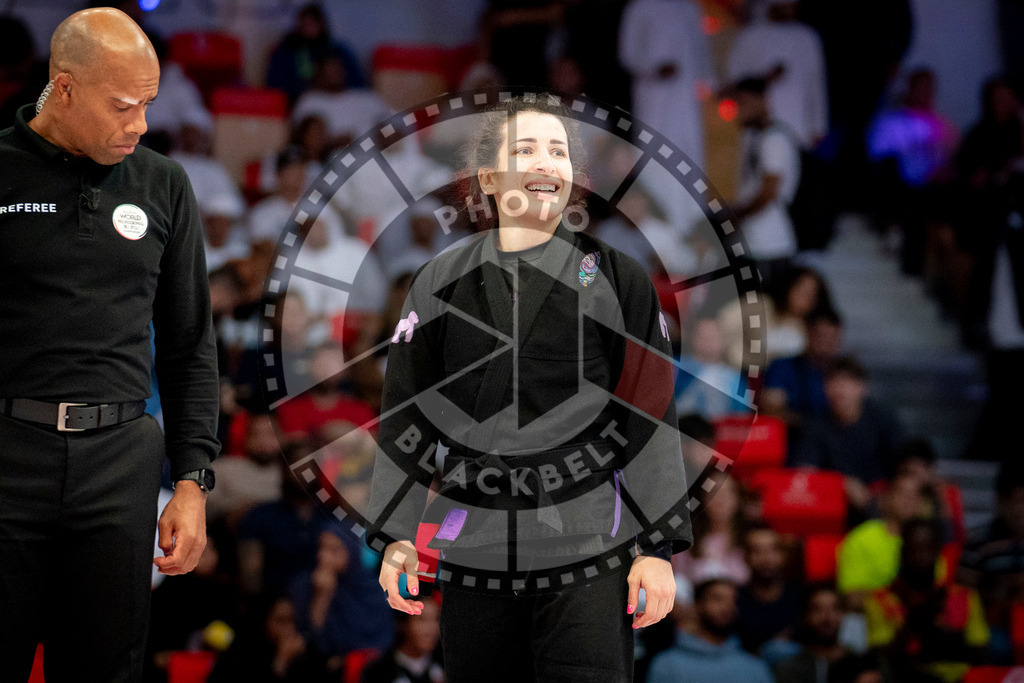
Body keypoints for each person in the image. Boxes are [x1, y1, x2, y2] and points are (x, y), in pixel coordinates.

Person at [366, 95, 691, 681]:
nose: (546, 162)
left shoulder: (617, 278)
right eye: (526, 149)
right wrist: (397, 535)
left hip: (589, 538)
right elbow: (405, 416)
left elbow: (651, 415)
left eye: (559, 151)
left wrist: (657, 548)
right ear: (488, 176)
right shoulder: (441, 280)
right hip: (475, 541)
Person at [0, 8, 219, 682]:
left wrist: (191, 482)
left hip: (121, 466)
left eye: (148, 105)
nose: (141, 125)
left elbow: (190, 344)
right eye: (123, 106)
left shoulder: (164, 184)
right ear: (63, 89)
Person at [864, 518, 989, 683]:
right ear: (902, 552)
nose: (920, 555)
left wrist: (944, 640)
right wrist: (914, 623)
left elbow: (980, 650)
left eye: (927, 548)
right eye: (913, 548)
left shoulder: (964, 596)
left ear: (938, 550)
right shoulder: (881, 599)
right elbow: (881, 656)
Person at [728, 75, 801, 288]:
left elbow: (769, 192)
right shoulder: (755, 136)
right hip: (754, 241)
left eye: (742, 102)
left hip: (769, 244)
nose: (738, 110)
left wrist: (736, 216)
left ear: (761, 100)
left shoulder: (774, 139)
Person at [957, 461, 1024, 664]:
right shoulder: (979, 542)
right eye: (1019, 500)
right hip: (994, 627)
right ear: (1001, 501)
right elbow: (963, 592)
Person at [646, 578, 775, 683]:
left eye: (733, 601)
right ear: (697, 605)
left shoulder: (755, 667)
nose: (727, 607)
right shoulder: (667, 664)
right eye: (717, 599)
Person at [836, 473, 925, 604]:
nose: (908, 500)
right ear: (887, 498)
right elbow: (852, 597)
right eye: (902, 493)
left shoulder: (928, 543)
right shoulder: (862, 538)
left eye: (915, 495)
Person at [736, 525, 803, 657]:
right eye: (757, 551)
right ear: (745, 557)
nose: (766, 558)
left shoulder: (801, 598)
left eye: (773, 550)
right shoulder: (734, 600)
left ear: (783, 555)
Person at [773, 585, 852, 683]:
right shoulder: (790, 669)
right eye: (818, 610)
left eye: (834, 609)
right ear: (805, 616)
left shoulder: (858, 664)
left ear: (843, 614)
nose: (827, 618)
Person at [360, 598, 445, 683]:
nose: (433, 628)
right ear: (403, 623)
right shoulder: (379, 671)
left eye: (437, 619)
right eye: (423, 620)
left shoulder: (446, 664)